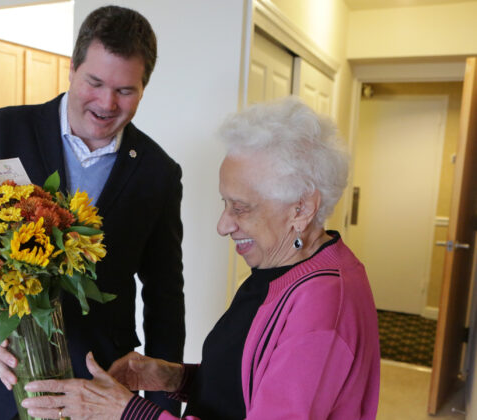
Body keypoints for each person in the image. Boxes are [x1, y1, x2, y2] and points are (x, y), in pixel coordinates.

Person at [21, 97, 381, 420]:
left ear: (302, 209)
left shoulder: (322, 309)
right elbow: (246, 387)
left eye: (241, 208)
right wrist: (173, 377)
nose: (224, 225)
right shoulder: (280, 269)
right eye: (225, 203)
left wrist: (126, 412)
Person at [0, 5, 185, 420]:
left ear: (144, 87)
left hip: (91, 393)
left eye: (126, 90)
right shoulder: (1, 131)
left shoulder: (158, 173)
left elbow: (165, 296)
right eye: (95, 82)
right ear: (72, 68)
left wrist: (159, 408)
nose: (107, 103)